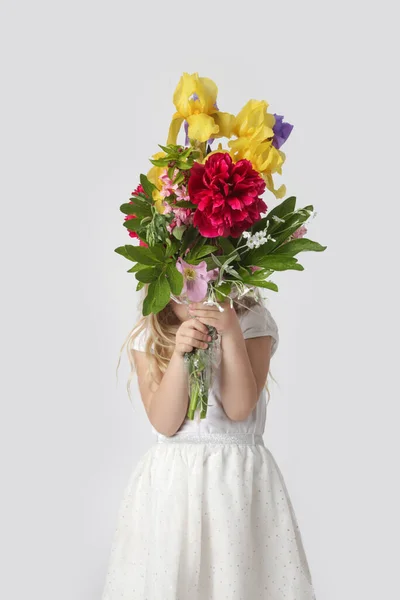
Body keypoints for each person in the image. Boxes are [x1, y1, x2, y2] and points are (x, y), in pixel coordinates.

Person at [101, 284, 316, 599]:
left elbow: (240, 408)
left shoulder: (248, 317)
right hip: (173, 484)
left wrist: (229, 330)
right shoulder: (154, 322)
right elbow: (164, 422)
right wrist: (179, 353)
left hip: (234, 482)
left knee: (236, 581)